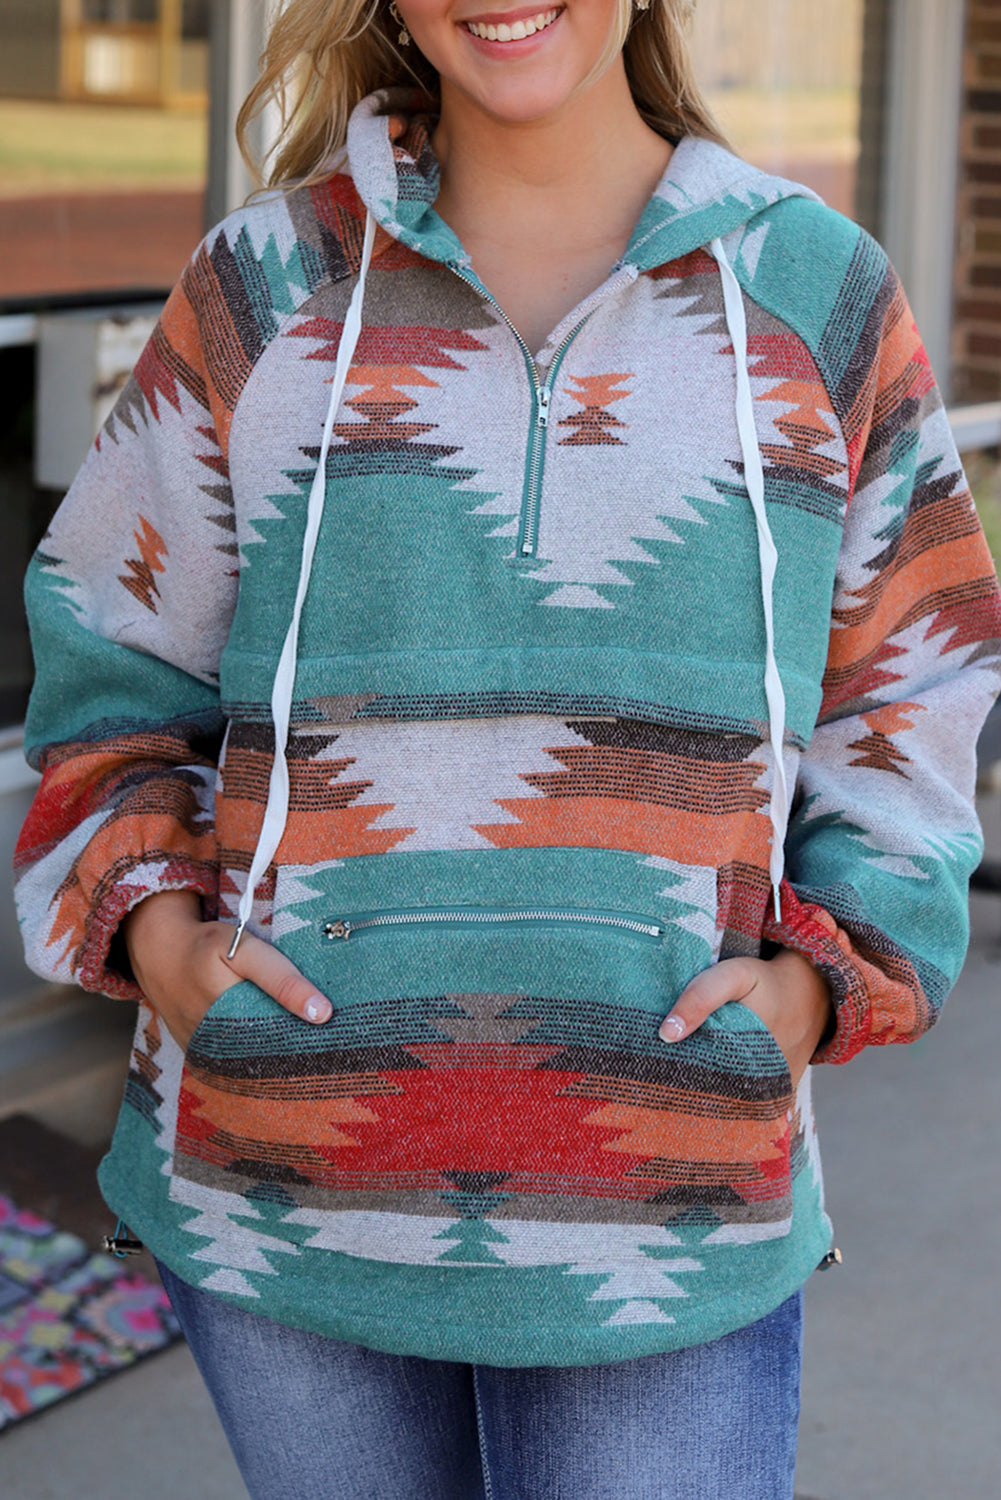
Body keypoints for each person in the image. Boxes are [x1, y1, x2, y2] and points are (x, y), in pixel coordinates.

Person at [14, 0, 1001, 1495]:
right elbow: (109, 653)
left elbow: (911, 693)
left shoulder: (816, 294)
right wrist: (154, 933)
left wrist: (819, 982)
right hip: (279, 1184)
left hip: (667, 1210)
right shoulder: (260, 287)